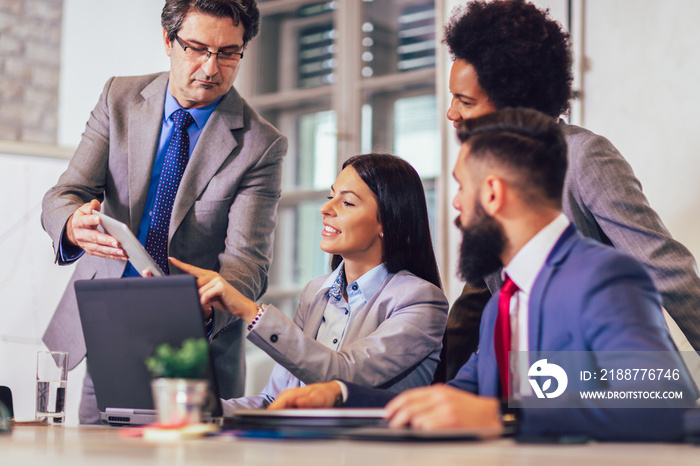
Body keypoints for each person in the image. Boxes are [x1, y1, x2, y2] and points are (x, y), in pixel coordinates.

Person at [268, 109, 696, 442]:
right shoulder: (503, 302)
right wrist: (341, 396)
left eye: (460, 187)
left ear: (492, 193)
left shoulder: (605, 277)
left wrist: (503, 415)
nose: (455, 205)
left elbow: (661, 404)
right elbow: (455, 399)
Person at [40, 0, 287, 423]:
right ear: (168, 40)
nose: (211, 68)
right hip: (109, 328)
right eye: (197, 48)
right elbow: (66, 193)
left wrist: (209, 302)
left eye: (229, 52)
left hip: (195, 346)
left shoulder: (260, 145)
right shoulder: (119, 97)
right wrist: (72, 223)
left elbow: (248, 263)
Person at [436, 0, 700, 381]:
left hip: (610, 384)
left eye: (465, 100)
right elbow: (481, 297)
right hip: (543, 381)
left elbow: (665, 269)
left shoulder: (582, 156)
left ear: (512, 101)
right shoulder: (491, 174)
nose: (452, 113)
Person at [170, 153, 448, 412]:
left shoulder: (421, 300)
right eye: (330, 196)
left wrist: (248, 310)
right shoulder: (315, 292)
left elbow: (343, 376)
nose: (326, 208)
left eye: (347, 202)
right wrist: (190, 408)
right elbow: (274, 401)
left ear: (387, 221)